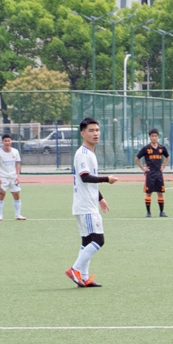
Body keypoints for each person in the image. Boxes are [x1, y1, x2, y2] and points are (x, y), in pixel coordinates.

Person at [65, 118, 118, 288]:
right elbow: (85, 177)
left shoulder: (90, 153)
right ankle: (75, 269)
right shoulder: (83, 154)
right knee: (98, 240)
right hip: (85, 206)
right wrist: (107, 179)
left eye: (97, 130)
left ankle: (84, 277)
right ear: (82, 133)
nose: (95, 133)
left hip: (87, 203)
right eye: (91, 130)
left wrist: (100, 198)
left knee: (87, 241)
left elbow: (88, 182)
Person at [135, 129, 170, 217]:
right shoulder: (146, 148)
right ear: (150, 137)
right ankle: (148, 212)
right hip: (150, 174)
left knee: (160, 192)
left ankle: (161, 212)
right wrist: (143, 168)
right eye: (152, 136)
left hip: (158, 173)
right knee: (149, 192)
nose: (154, 138)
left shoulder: (162, 148)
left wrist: (163, 167)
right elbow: (137, 158)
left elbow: (167, 157)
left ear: (158, 137)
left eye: (155, 136)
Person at [0, 133, 26, 221]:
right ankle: (0, 215)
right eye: (5, 141)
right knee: (1, 194)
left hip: (13, 177)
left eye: (9, 140)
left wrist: (18, 176)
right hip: (3, 177)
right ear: (2, 142)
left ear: (11, 141)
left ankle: (18, 215)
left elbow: (17, 164)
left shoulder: (15, 151)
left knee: (16, 195)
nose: (7, 142)